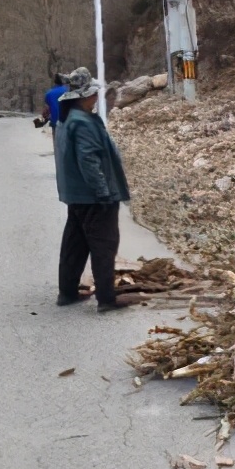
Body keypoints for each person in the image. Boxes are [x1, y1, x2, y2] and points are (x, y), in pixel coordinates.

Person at [54, 70, 140, 311]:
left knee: (75, 244)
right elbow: (88, 160)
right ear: (85, 97)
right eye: (93, 93)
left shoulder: (68, 118)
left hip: (76, 196)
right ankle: (106, 298)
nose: (96, 97)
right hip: (92, 196)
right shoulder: (81, 122)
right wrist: (103, 192)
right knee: (104, 244)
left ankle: (67, 292)